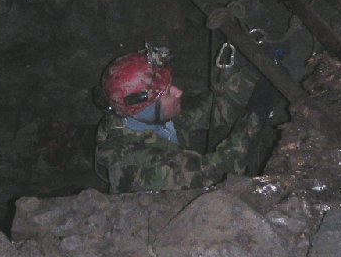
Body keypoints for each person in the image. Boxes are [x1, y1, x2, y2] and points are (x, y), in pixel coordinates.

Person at [94, 44, 265, 194]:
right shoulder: (140, 164)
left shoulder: (142, 119)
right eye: (168, 93)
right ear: (147, 108)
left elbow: (214, 109)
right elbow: (217, 175)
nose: (179, 92)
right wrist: (255, 117)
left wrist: (254, 73)